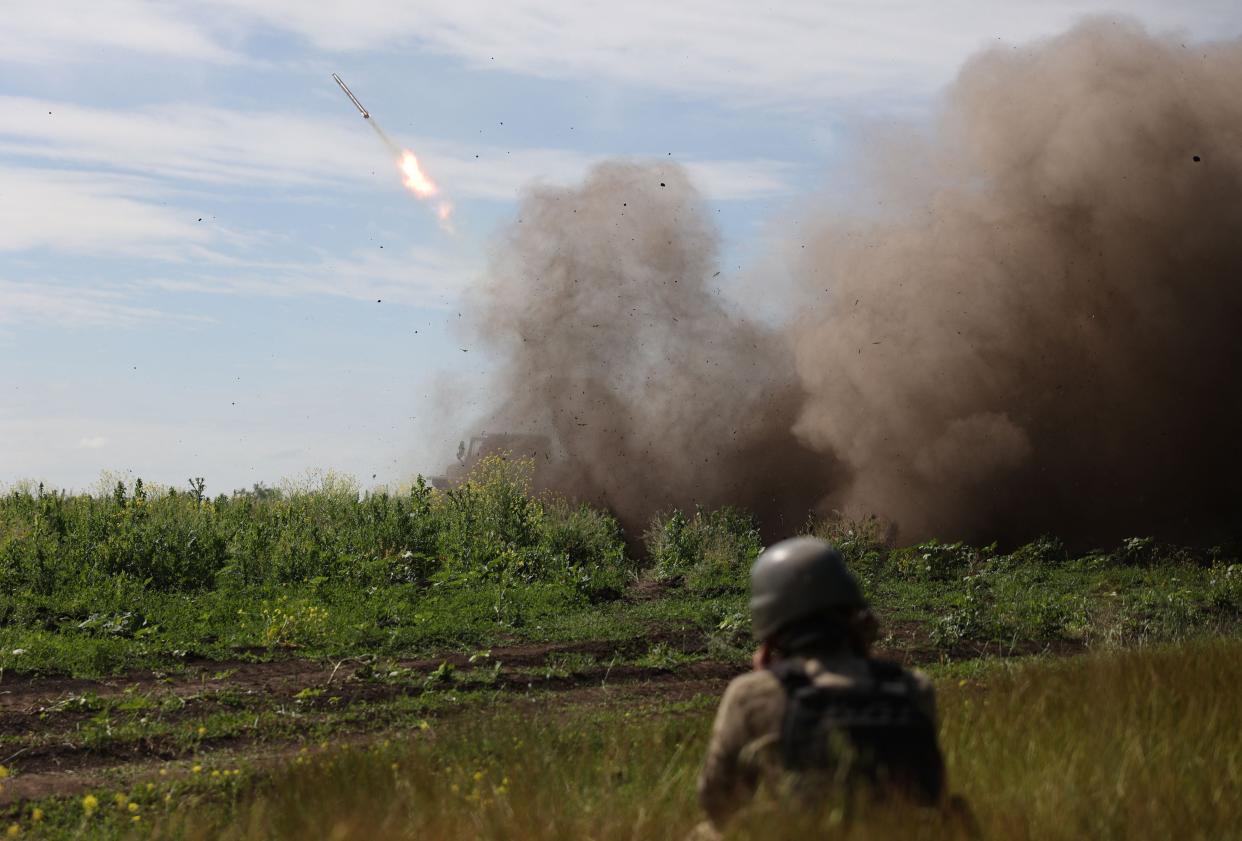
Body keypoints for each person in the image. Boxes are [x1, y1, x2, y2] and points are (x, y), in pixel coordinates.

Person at [694, 536, 949, 837]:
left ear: (772, 626)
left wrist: (767, 680)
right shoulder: (912, 688)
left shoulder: (751, 696)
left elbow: (717, 802)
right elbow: (933, 792)